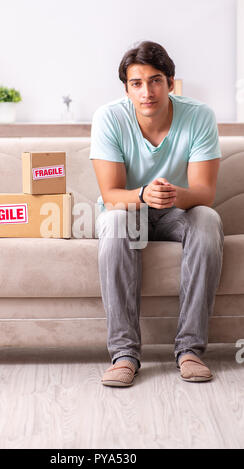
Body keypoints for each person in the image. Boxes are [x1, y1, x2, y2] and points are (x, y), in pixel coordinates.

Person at [89, 40, 224, 386]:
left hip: (179, 209)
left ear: (170, 82)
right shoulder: (109, 118)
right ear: (126, 88)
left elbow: (205, 193)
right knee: (116, 222)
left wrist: (173, 194)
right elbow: (111, 194)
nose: (146, 91)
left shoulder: (199, 116)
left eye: (155, 80)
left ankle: (190, 350)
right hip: (129, 209)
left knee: (208, 220)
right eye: (137, 83)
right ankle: (124, 355)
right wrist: (145, 194)